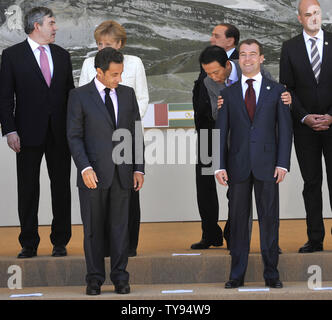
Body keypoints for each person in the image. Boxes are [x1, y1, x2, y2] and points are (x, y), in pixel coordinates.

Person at [192, 25, 291, 250]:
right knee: (215, 185)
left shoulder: (251, 68)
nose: (213, 78)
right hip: (224, 138)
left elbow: (273, 94)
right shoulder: (209, 82)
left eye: (216, 72)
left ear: (228, 65)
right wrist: (224, 107)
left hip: (254, 144)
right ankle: (215, 235)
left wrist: (284, 97)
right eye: (208, 73)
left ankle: (245, 240)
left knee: (247, 196)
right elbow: (217, 114)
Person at [67, 47, 144, 295]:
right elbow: (74, 137)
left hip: (123, 175)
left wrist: (139, 169)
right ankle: (94, 279)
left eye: (121, 73)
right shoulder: (78, 96)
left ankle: (121, 277)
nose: (118, 79)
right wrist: (84, 167)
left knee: (121, 229)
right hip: (93, 175)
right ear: (98, 71)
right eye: (113, 74)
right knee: (93, 230)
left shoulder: (128, 94)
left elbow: (136, 134)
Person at [215, 39, 293, 289]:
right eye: (243, 55)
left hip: (268, 165)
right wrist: (219, 165)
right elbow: (221, 131)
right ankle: (236, 274)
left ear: (261, 58)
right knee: (238, 222)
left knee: (270, 220)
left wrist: (283, 163)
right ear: (238, 60)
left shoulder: (277, 90)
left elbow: (285, 130)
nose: (247, 59)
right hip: (237, 166)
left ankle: (272, 273)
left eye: (252, 54)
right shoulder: (227, 93)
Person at [0, 7, 74, 258]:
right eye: (51, 23)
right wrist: (9, 130)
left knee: (61, 187)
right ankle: (29, 243)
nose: (55, 27)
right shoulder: (12, 56)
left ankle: (60, 240)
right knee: (28, 189)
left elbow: (70, 96)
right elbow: (4, 98)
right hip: (26, 134)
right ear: (36, 26)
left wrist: (74, 130)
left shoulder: (63, 55)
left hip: (60, 134)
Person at [79, 20, 149, 257]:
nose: (102, 47)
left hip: (126, 134)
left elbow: (141, 98)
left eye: (107, 43)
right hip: (98, 139)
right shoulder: (90, 63)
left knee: (127, 193)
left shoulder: (136, 63)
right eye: (99, 43)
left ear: (120, 43)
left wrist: (123, 123)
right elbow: (83, 100)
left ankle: (128, 246)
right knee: (100, 197)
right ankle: (105, 249)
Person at [280, 0, 332, 253]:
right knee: (311, 183)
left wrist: (331, 116)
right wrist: (304, 116)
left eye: (316, 13)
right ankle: (315, 238)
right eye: (308, 14)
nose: (313, 18)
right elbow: (287, 88)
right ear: (299, 18)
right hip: (304, 128)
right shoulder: (289, 47)